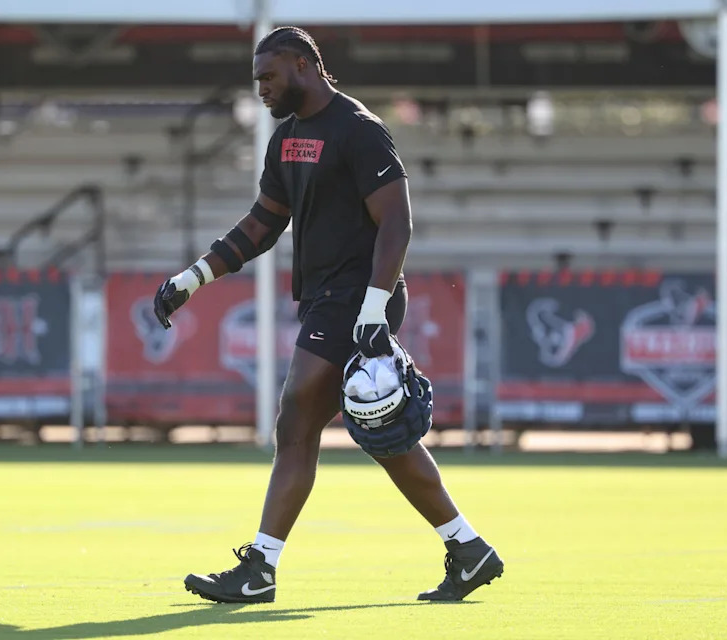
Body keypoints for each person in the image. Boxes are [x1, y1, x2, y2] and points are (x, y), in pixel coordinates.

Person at [153, 26, 503, 604]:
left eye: (268, 77)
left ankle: (260, 569)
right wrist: (193, 278)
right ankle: (469, 550)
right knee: (382, 436)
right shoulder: (286, 138)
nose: (261, 89)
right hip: (326, 299)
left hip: (359, 295)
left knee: (294, 425)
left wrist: (371, 311)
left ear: (301, 65)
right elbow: (262, 224)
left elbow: (397, 223)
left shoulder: (358, 129)